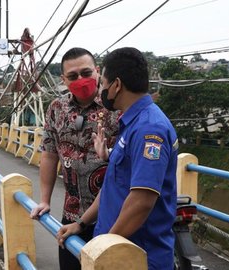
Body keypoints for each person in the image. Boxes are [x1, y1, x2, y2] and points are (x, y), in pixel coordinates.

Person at [57, 47, 178, 269]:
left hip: (136, 257)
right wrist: (81, 224)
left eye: (103, 83)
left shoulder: (149, 129)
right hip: (117, 248)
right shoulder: (131, 123)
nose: (101, 89)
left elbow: (141, 201)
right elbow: (113, 185)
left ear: (117, 85)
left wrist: (105, 249)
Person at [29, 47, 120, 270]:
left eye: (86, 73)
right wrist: (45, 200)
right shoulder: (56, 109)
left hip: (112, 215)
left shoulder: (117, 106)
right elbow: (49, 155)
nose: (81, 79)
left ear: (97, 72)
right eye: (73, 76)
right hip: (71, 215)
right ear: (63, 79)